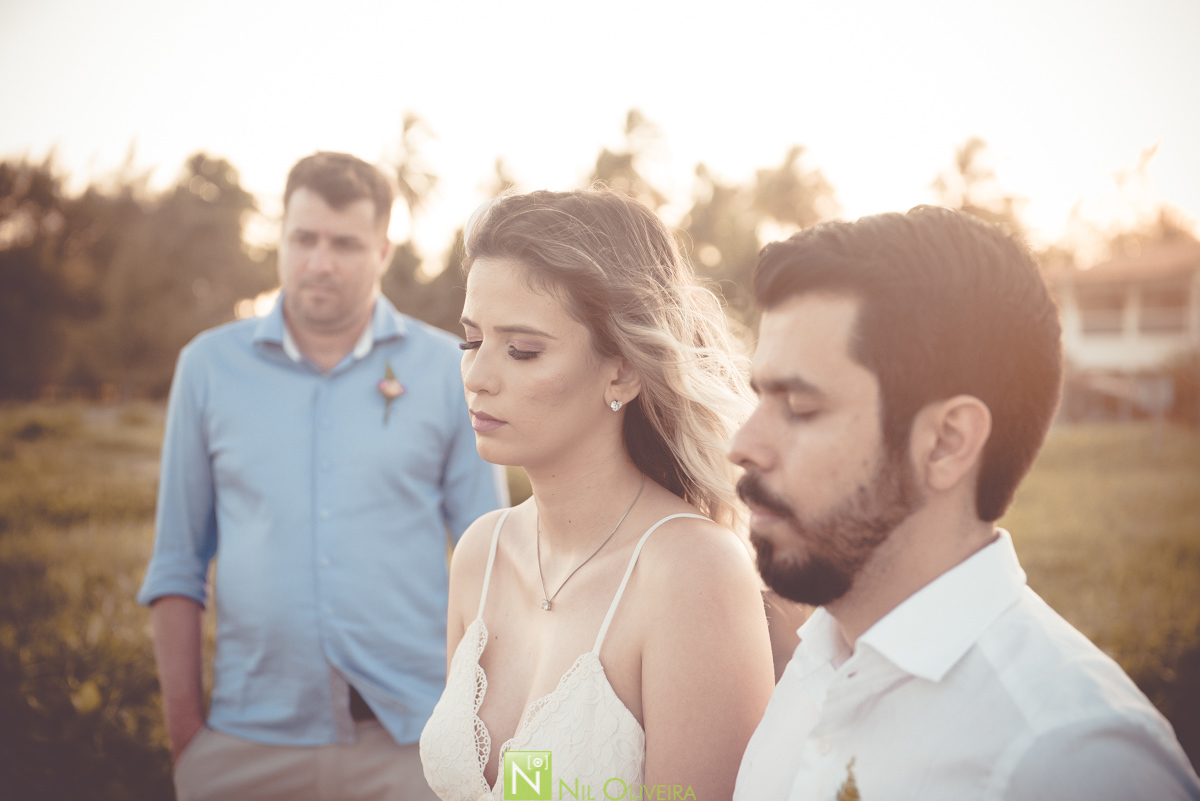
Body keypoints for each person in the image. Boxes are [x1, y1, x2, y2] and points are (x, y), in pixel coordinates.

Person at [729, 206, 1200, 800]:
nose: (741, 445)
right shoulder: (815, 666)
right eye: (758, 399)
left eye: (799, 406)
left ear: (947, 442)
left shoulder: (1072, 759)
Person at [137, 152, 507, 801]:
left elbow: (496, 569)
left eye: (344, 243)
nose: (319, 261)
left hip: (413, 746)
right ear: (280, 237)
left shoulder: (449, 369)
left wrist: (482, 731)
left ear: (384, 249)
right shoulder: (208, 367)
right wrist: (189, 742)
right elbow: (176, 566)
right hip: (244, 748)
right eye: (303, 238)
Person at [419, 189, 777, 801]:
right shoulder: (481, 552)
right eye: (472, 341)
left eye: (523, 349)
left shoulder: (693, 573)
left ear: (623, 370)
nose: (477, 377)